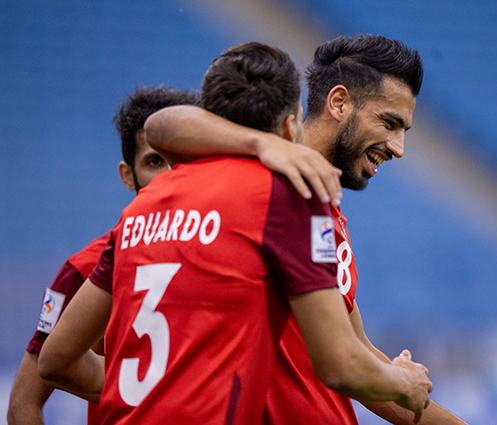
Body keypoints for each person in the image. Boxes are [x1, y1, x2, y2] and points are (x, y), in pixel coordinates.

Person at [38, 42, 432, 425]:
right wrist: (405, 382)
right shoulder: (284, 202)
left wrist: (159, 388)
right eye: (389, 123)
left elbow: (56, 360)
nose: (398, 148)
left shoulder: (141, 209)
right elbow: (341, 363)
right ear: (290, 125)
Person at [144, 35, 467, 425]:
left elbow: (356, 353)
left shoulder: (322, 212)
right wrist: (262, 145)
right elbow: (160, 126)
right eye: (389, 123)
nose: (398, 148)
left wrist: (409, 389)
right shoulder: (261, 186)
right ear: (339, 102)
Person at [7, 86, 199, 425]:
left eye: (181, 159)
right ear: (127, 175)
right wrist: (144, 385)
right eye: (154, 161)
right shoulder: (83, 268)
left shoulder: (225, 250)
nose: (170, 175)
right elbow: (23, 404)